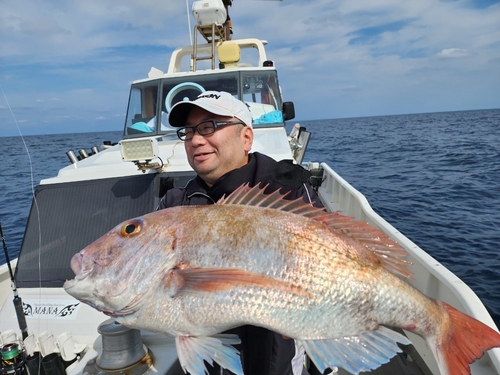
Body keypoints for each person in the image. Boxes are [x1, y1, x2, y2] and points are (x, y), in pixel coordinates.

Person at [158, 91, 321, 375]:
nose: (195, 139)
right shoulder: (174, 204)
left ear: (246, 137)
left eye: (209, 126)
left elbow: (328, 261)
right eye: (188, 132)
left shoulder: (288, 192)